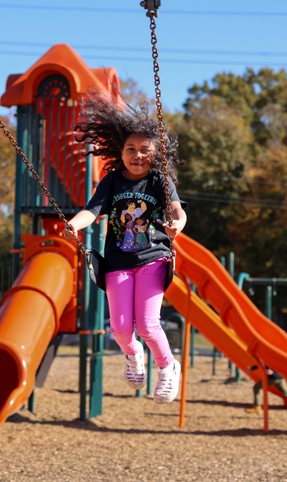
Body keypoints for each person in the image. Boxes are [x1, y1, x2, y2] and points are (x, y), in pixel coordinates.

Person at [63, 93, 187, 404]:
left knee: (146, 323)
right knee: (119, 328)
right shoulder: (112, 181)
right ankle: (133, 356)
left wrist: (177, 225)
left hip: (152, 259)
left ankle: (168, 366)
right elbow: (92, 211)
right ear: (121, 151)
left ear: (156, 154)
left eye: (145, 151)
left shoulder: (159, 181)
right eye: (131, 149)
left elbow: (176, 211)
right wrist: (73, 225)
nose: (137, 156)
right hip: (118, 262)